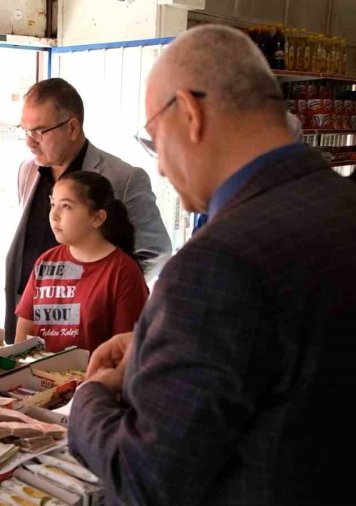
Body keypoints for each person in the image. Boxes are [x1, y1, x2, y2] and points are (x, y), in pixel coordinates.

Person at [68, 25, 354, 504]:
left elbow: (148, 479)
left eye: (155, 140)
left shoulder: (218, 262)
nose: (159, 166)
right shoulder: (340, 202)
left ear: (191, 113)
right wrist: (152, 345)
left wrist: (89, 401)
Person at [4, 78, 171, 342]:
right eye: (24, 130)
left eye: (38, 132)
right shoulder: (27, 170)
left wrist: (99, 294)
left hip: (88, 332)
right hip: (32, 313)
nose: (29, 142)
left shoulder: (124, 177)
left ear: (72, 127)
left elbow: (155, 250)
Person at [15, 171, 148, 352]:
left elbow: (126, 350)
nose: (54, 215)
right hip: (39, 377)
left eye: (66, 206)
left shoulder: (123, 272)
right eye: (53, 204)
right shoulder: (46, 262)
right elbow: (25, 330)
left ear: (97, 218)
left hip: (92, 379)